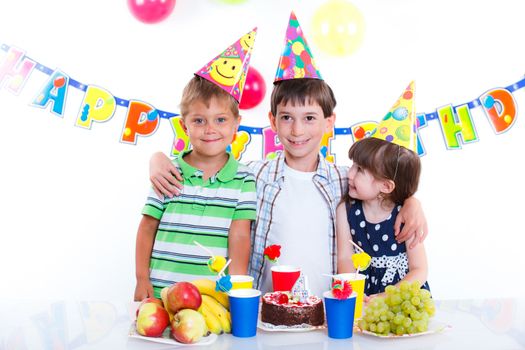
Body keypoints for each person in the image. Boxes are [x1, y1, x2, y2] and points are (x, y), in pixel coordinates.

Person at [148, 13, 428, 297]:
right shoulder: (252, 175)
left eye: (309, 118)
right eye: (286, 118)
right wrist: (158, 158)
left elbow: (384, 188)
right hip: (267, 311)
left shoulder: (345, 179)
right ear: (272, 121)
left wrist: (411, 202)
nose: (296, 130)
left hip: (327, 309)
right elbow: (208, 165)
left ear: (329, 122)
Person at [134, 30, 258, 301]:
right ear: (184, 125)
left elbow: (239, 237)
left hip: (212, 297)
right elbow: (147, 226)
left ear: (237, 124)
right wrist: (142, 279)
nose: (210, 129)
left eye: (220, 120)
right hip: (161, 292)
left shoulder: (244, 178)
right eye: (199, 120)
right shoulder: (169, 172)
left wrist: (237, 290)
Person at [336, 82, 430, 298]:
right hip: (363, 295)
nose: (350, 174)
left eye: (360, 170)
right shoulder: (346, 209)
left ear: (386, 186)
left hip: (402, 297)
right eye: (353, 165)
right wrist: (353, 294)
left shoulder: (405, 215)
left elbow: (419, 270)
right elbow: (345, 258)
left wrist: (389, 297)